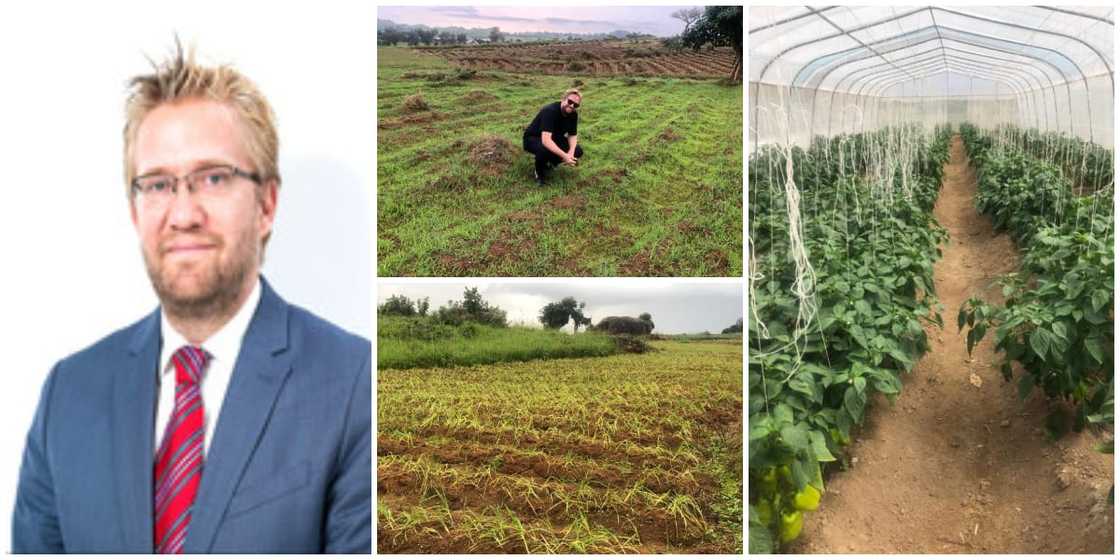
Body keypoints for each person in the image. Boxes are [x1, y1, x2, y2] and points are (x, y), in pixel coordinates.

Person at [11, 44, 371, 554]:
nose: (183, 213)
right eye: (157, 184)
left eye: (213, 178)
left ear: (266, 203)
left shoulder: (355, 382)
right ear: (135, 211)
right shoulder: (67, 393)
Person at [522, 88, 584, 186]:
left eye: (575, 105)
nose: (572, 106)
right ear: (563, 99)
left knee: (578, 151)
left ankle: (551, 163)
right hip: (533, 138)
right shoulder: (550, 111)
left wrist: (570, 153)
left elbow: (572, 135)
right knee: (545, 150)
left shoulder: (573, 114)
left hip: (554, 137)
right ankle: (539, 173)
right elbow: (546, 140)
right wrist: (565, 156)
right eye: (570, 101)